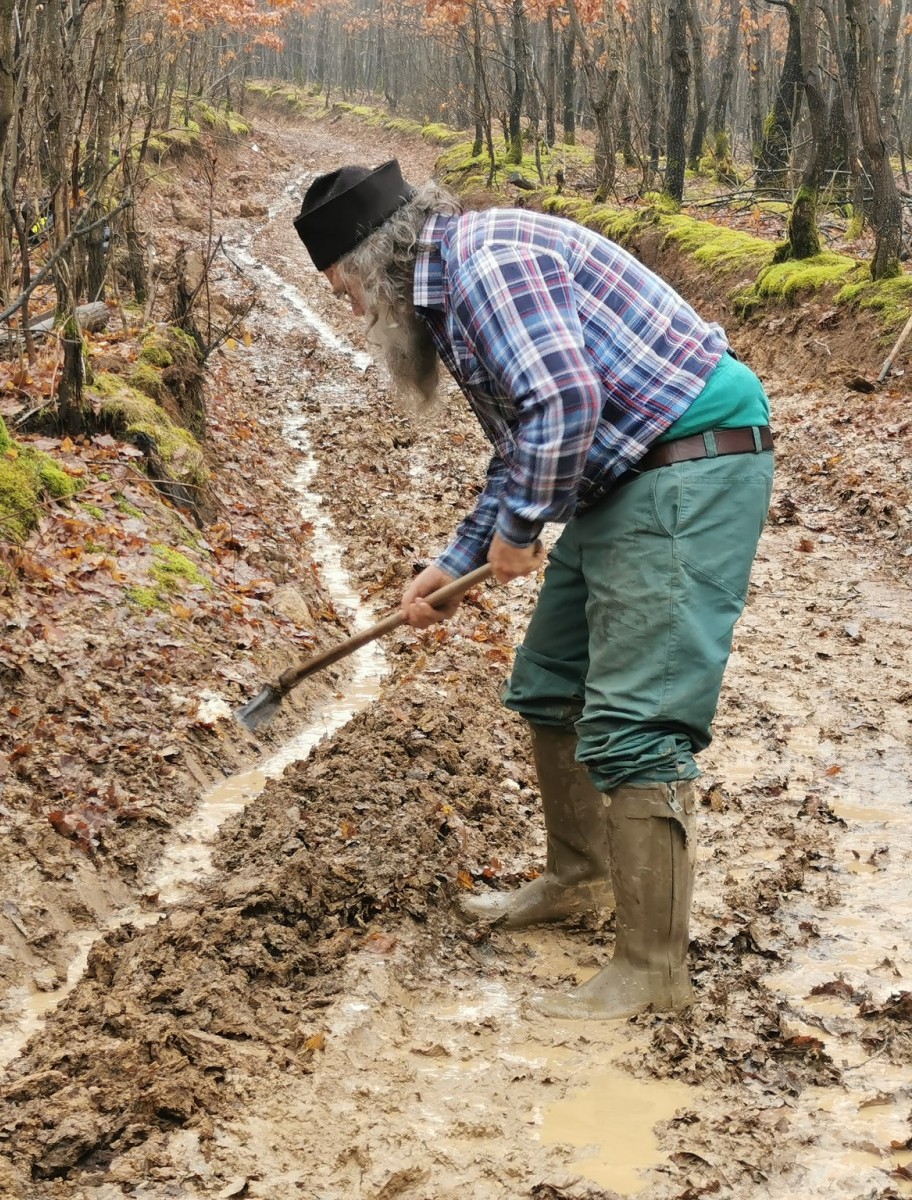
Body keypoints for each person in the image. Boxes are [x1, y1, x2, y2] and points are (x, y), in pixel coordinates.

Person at [294, 161, 774, 1020]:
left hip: (688, 462)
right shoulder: (453, 284)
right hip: (624, 473)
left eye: (345, 291)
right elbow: (524, 443)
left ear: (370, 261)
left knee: (637, 719)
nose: (356, 312)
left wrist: (518, 532)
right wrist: (457, 562)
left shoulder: (486, 264)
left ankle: (653, 972)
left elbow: (563, 400)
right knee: (551, 684)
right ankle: (580, 878)